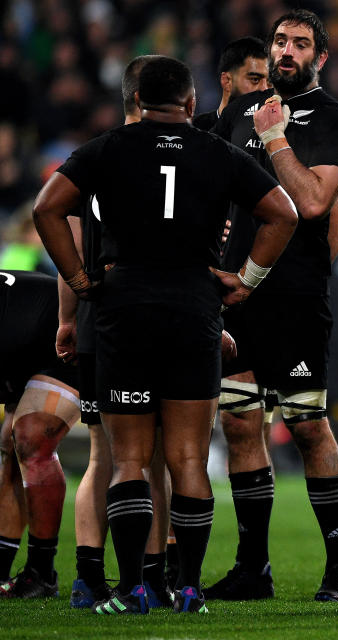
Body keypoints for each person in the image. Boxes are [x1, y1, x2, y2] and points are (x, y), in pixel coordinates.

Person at [33, 55, 298, 614]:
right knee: (187, 459)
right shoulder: (218, 152)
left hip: (122, 309)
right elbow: (285, 213)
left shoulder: (105, 149)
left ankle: (130, 589)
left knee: (127, 459)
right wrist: (246, 281)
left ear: (134, 99)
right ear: (192, 102)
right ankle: (190, 589)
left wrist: (81, 281)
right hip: (194, 307)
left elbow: (47, 208)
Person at [208, 9, 338, 602]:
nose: (287, 51)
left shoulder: (332, 119)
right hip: (234, 298)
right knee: (241, 423)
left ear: (321, 57)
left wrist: (275, 138)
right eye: (279, 42)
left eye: (300, 44)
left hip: (294, 302)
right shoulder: (239, 118)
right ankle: (254, 569)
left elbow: (322, 205)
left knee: (306, 424)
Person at [54, 54, 179, 611]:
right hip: (159, 315)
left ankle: (87, 578)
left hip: (97, 315)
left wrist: (67, 315)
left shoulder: (94, 158)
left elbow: (71, 246)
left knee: (104, 454)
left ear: (128, 97)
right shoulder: (180, 157)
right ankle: (153, 577)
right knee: (153, 458)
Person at [0, 270, 79, 599]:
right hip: (23, 344)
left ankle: (41, 571)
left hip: (66, 336)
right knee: (10, 443)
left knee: (31, 439)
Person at [193, 37, 268, 132]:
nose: (265, 89)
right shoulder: (193, 130)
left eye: (270, 82)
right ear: (227, 81)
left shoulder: (282, 135)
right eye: (255, 80)